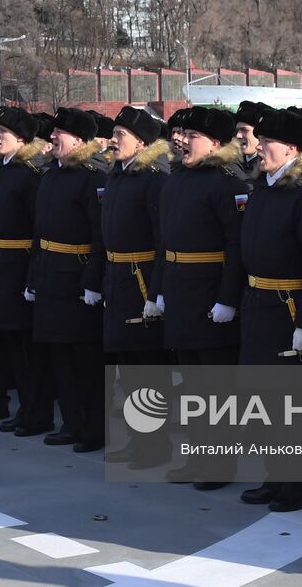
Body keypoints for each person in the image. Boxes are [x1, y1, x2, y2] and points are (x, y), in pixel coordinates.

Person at [233, 108, 302, 512]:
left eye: (267, 142)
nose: (259, 148)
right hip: (258, 304)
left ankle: (299, 486)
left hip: (288, 309)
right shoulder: (262, 190)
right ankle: (274, 476)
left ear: (289, 148)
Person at [157, 107, 248, 490]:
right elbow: (165, 240)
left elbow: (237, 245)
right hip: (180, 288)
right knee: (191, 383)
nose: (182, 141)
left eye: (192, 136)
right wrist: (161, 287)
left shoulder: (226, 182)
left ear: (213, 143)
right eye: (182, 135)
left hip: (210, 292)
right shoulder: (178, 177)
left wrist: (228, 298)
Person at [29, 108, 109, 453]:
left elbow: (99, 236)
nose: (52, 138)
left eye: (59, 133)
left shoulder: (92, 177)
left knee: (84, 360)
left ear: (78, 140)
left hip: (76, 280)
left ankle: (92, 428)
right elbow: (39, 233)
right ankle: (71, 423)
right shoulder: (49, 176)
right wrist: (33, 277)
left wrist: (92, 282)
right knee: (60, 355)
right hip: (49, 275)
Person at [100, 107, 171, 468]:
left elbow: (162, 240)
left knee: (147, 368)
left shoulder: (153, 179)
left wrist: (157, 292)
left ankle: (154, 446)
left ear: (141, 142)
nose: (113, 141)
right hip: (117, 278)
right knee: (126, 368)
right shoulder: (118, 175)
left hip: (141, 280)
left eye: (120, 135)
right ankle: (137, 440)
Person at [0, 107, 54, 432]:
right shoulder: (1, 172)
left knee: (26, 347)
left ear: (21, 139)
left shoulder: (29, 175)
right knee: (9, 343)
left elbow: (37, 229)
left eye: (2, 133)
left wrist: (31, 277)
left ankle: (37, 413)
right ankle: (24, 409)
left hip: (20, 266)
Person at [234, 100, 271, 186]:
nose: (238, 135)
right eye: (237, 130)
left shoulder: (270, 170)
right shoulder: (233, 164)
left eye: (244, 130)